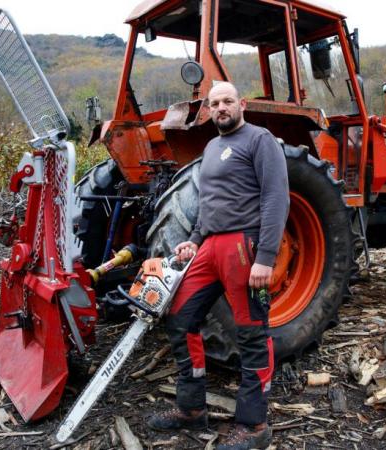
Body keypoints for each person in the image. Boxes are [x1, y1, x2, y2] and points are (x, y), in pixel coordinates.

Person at [147, 81, 289, 450]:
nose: (221, 107)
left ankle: (255, 425)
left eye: (227, 101)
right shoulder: (211, 147)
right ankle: (192, 409)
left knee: (251, 332)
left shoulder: (260, 140)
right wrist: (194, 239)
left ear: (241, 104)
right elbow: (208, 203)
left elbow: (277, 199)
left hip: (245, 246)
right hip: (209, 248)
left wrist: (266, 258)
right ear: (208, 110)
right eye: (214, 103)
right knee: (179, 315)